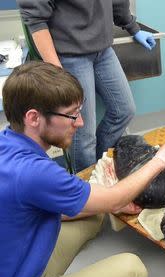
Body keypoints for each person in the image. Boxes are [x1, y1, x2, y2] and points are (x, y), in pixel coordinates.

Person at [0, 61, 165, 277]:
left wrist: (111, 201)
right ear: (33, 118)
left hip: (17, 264)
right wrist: (162, 159)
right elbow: (113, 200)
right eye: (71, 115)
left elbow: (42, 204)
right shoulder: (34, 172)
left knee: (94, 213)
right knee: (131, 270)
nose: (79, 123)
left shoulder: (7, 142)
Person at [17, 0, 157, 173]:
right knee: (83, 135)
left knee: (124, 110)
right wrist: (57, 72)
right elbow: (36, 19)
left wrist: (132, 27)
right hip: (70, 55)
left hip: (103, 50)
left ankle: (98, 166)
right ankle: (86, 185)